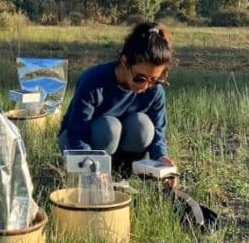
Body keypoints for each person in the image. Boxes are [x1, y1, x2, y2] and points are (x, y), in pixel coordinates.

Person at [58, 22, 175, 173]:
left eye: (154, 80)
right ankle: (97, 170)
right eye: (140, 78)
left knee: (143, 126)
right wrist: (89, 170)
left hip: (116, 146)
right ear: (124, 61)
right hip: (76, 141)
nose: (145, 86)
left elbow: (158, 134)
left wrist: (161, 159)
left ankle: (122, 171)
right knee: (110, 127)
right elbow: (77, 131)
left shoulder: (155, 91)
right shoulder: (94, 81)